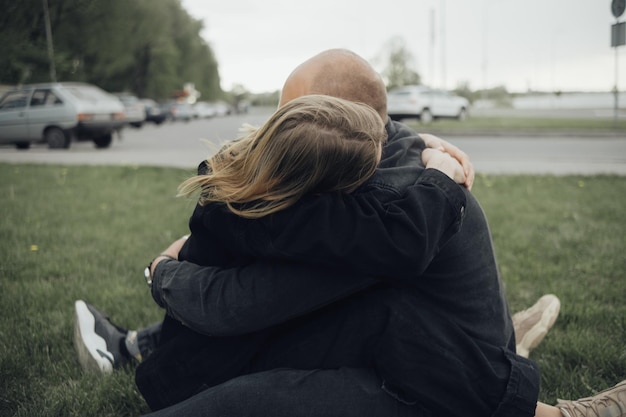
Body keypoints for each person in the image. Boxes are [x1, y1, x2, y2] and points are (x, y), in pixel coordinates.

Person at [73, 49, 622, 417]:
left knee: (238, 399)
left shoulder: (369, 208)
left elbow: (238, 303)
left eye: (291, 114)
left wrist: (161, 269)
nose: (276, 130)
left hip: (419, 380)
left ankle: (534, 392)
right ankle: (501, 343)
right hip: (410, 337)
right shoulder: (385, 154)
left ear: (336, 123)